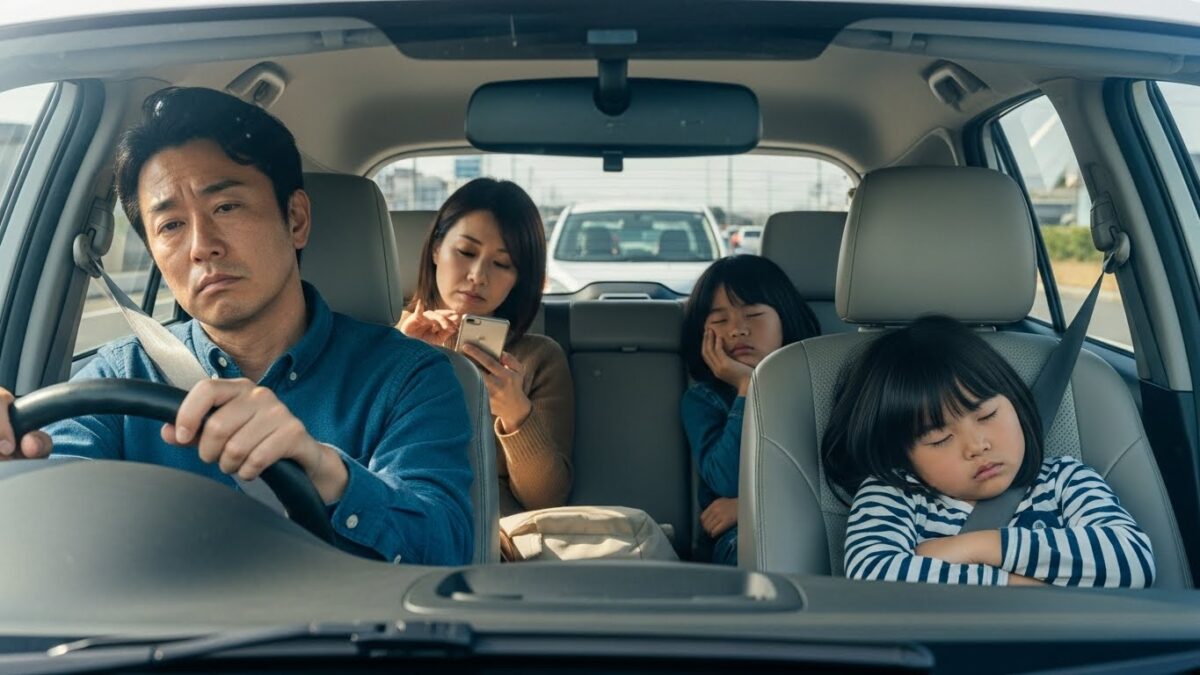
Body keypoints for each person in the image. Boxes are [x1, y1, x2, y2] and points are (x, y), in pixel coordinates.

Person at [0, 87, 474, 566]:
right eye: (170, 226)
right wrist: (15, 478)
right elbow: (54, 501)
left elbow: (446, 549)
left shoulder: (410, 376)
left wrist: (326, 472)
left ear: (296, 219)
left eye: (226, 207)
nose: (202, 245)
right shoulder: (115, 380)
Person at [824, 315, 1155, 587]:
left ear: (1015, 403)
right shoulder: (895, 493)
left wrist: (972, 547)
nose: (977, 446)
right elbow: (875, 578)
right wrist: (1018, 586)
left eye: (987, 416)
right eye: (939, 439)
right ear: (902, 455)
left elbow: (1132, 560)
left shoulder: (1065, 480)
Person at [398, 178, 573, 516]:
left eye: (502, 263)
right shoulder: (382, 338)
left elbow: (547, 500)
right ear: (436, 249)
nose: (478, 275)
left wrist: (515, 412)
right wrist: (398, 358)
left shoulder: (537, 359)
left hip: (494, 546)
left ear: (519, 277)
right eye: (466, 252)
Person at [680, 255, 820, 565]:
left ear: (785, 318)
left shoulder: (819, 383)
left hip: (817, 517)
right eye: (719, 321)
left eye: (753, 314)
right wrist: (747, 387)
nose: (737, 330)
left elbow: (836, 474)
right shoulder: (704, 400)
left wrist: (748, 504)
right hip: (740, 535)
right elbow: (726, 480)